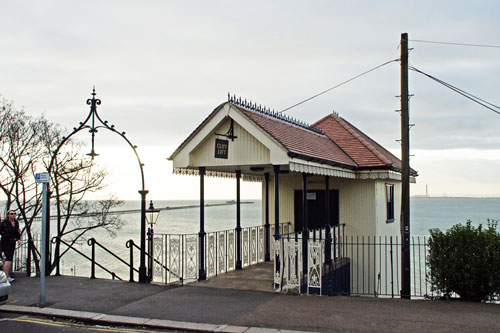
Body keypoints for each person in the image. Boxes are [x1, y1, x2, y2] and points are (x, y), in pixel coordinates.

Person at [0, 210, 21, 282]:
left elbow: (17, 232)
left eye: (14, 214)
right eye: (11, 214)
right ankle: (5, 277)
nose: (13, 215)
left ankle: (6, 275)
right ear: (8, 215)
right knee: (8, 258)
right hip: (6, 241)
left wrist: (18, 239)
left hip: (12, 242)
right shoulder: (5, 223)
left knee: (10, 257)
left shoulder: (16, 222)